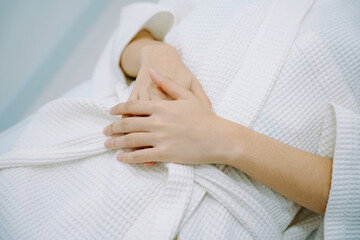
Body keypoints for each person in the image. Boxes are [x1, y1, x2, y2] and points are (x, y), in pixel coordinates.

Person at [0, 0, 359, 239]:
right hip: (65, 164)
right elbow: (136, 29)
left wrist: (226, 140)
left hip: (205, 220)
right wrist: (156, 53)